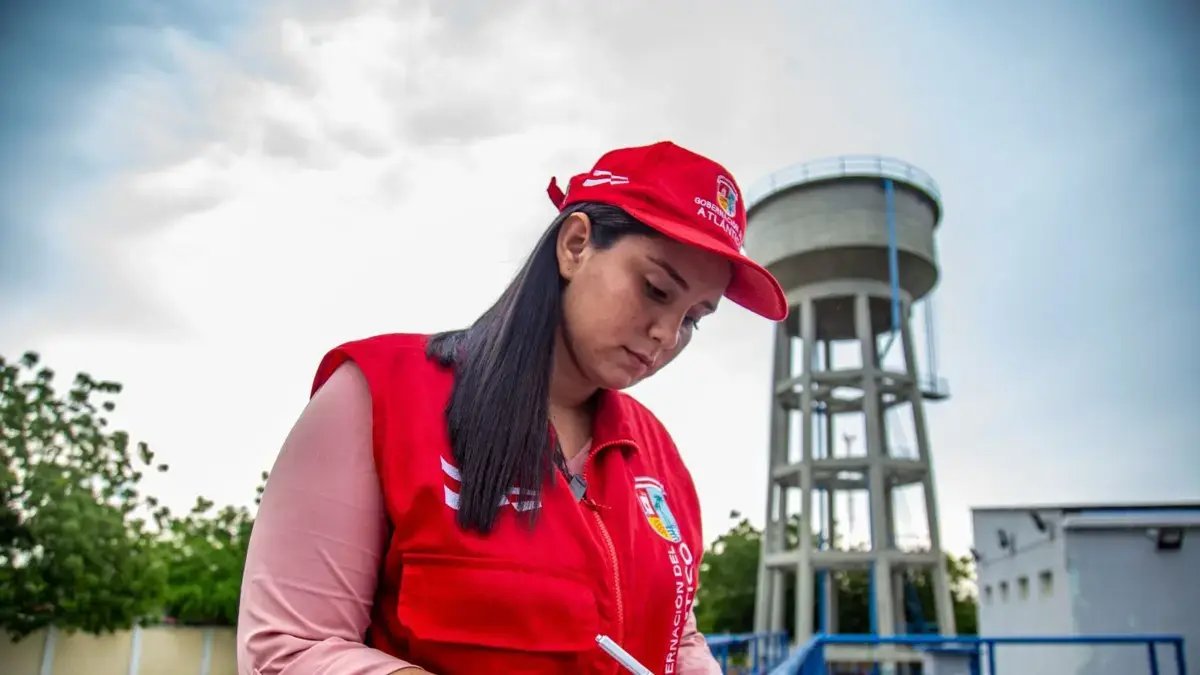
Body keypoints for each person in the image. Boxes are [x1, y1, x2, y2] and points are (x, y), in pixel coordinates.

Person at [236, 140, 788, 675]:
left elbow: (677, 634)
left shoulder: (658, 457)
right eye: (656, 289)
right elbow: (290, 650)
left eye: (694, 319)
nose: (667, 334)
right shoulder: (380, 397)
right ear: (575, 245)